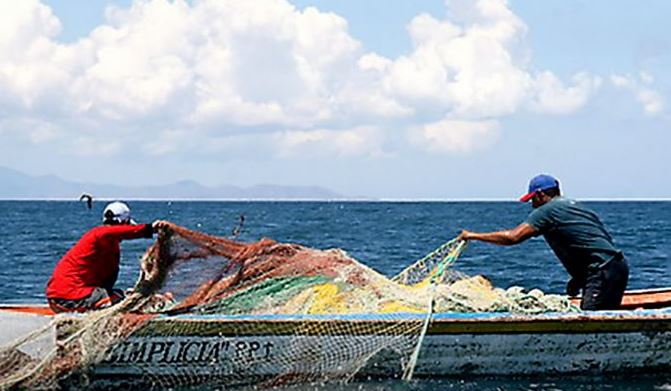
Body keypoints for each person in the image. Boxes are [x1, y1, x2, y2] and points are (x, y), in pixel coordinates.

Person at [458, 174, 629, 310]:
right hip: (617, 266)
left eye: (533, 199)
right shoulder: (578, 207)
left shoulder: (548, 210)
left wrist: (472, 235)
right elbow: (591, 242)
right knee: (605, 312)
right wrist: (579, 278)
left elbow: (513, 237)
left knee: (592, 321)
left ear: (540, 194)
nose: (532, 204)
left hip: (601, 271)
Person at [45, 201, 169, 313]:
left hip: (61, 298)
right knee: (121, 300)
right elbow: (117, 232)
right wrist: (150, 229)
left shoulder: (109, 247)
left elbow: (106, 282)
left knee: (120, 295)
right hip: (67, 298)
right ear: (123, 223)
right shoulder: (99, 234)